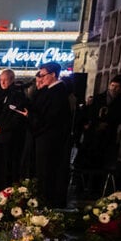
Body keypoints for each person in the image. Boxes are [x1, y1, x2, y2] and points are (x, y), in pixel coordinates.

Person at [19, 62, 72, 207]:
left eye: (43, 75)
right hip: (42, 137)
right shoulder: (48, 91)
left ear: (53, 74)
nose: (40, 79)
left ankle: (47, 202)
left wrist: (30, 116)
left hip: (50, 140)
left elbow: (50, 118)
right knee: (39, 171)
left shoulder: (59, 92)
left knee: (47, 172)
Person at [0, 69, 28, 190]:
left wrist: (2, 128)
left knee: (9, 165)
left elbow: (17, 117)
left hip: (10, 136)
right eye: (1, 80)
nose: (3, 82)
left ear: (12, 80)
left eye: (6, 80)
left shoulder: (18, 95)